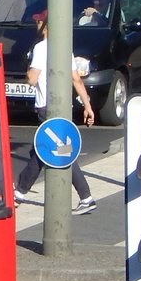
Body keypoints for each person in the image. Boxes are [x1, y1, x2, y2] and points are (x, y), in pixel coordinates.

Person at [14, 16, 97, 215]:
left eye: (38, 21)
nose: (36, 24)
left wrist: (28, 73)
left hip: (46, 107)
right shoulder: (64, 47)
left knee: (48, 149)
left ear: (45, 27)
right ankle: (20, 192)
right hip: (63, 108)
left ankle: (85, 196)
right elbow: (76, 79)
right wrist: (87, 106)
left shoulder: (42, 47)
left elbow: (32, 79)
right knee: (47, 150)